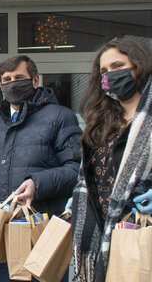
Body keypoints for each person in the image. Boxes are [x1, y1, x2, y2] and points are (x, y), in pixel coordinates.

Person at [0, 55, 81, 282]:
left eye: (19, 77)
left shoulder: (61, 117)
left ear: (35, 80)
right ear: (0, 85)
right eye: (6, 79)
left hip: (44, 234)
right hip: (5, 233)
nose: (12, 83)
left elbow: (76, 170)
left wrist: (37, 183)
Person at [71, 37, 152, 282]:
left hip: (143, 236)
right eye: (104, 71)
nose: (110, 75)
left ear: (140, 65)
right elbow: (89, 176)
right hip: (103, 234)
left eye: (117, 66)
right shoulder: (101, 121)